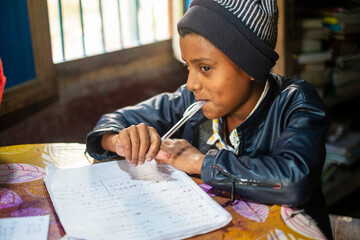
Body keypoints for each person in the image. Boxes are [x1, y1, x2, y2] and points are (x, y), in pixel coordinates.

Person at [86, 0, 333, 238]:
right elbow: (115, 120)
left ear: (249, 66)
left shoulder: (295, 102)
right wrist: (118, 139)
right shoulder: (190, 101)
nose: (191, 83)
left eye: (204, 68)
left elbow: (293, 180)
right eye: (188, 67)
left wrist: (199, 162)